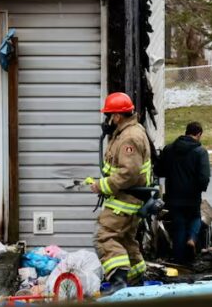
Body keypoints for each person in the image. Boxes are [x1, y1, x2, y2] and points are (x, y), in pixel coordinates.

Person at [85, 92, 152, 291]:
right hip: (129, 198)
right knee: (124, 239)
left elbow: (128, 173)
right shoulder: (126, 132)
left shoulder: (129, 137)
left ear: (117, 116)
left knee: (104, 236)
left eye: (109, 115)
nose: (108, 120)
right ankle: (136, 280)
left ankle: (119, 282)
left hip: (125, 199)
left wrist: (101, 186)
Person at [155, 122, 210, 264]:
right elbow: (204, 177)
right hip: (192, 196)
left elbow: (159, 170)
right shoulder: (200, 152)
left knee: (179, 224)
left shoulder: (169, 149)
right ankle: (192, 239)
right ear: (198, 134)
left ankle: (179, 261)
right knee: (195, 217)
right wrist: (199, 188)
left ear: (186, 132)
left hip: (173, 195)